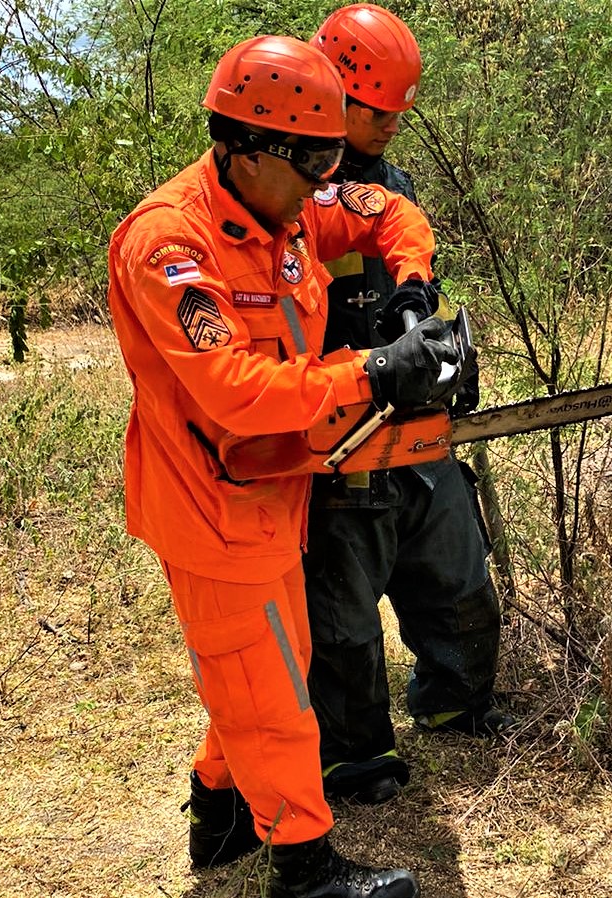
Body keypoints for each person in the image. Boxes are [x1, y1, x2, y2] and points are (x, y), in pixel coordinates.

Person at [106, 34, 458, 898]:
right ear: (247, 147)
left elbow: (385, 212)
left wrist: (409, 287)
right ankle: (305, 870)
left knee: (261, 663)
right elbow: (234, 389)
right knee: (269, 692)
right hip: (211, 503)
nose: (319, 184)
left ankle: (218, 814)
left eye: (329, 160)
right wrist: (374, 371)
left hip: (272, 492)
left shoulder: (286, 206)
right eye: (308, 164)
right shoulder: (170, 246)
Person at [304, 3, 512, 808]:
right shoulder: (287, 177)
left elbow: (405, 258)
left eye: (398, 109)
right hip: (335, 416)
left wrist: (427, 328)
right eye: (377, 107)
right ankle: (353, 754)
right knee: (343, 611)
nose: (391, 122)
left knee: (457, 573)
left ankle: (454, 695)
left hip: (413, 416)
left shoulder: (394, 184)